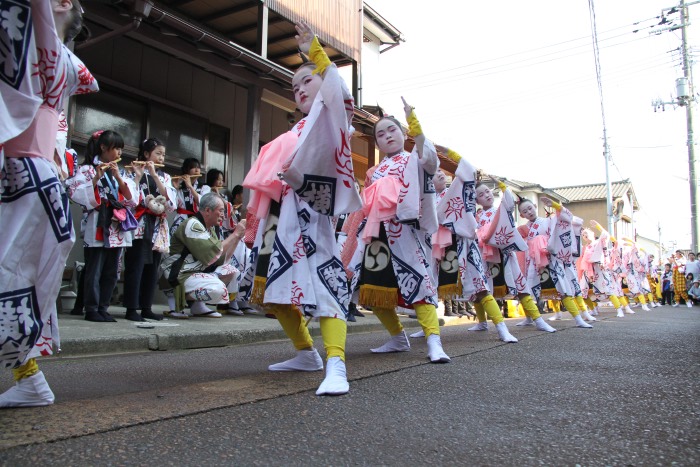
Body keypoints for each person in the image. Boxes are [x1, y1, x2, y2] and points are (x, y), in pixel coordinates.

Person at [239, 21, 362, 395]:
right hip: (280, 214)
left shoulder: (328, 116)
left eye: (305, 81)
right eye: (294, 87)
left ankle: (336, 364)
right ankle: (307, 352)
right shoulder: (296, 129)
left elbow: (338, 92)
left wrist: (316, 52)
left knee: (327, 285)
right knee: (272, 292)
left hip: (313, 211)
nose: (299, 89)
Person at [0, 0, 99, 407]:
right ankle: (30, 378)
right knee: (22, 284)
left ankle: (30, 378)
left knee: (12, 279)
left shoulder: (41, 49)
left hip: (24, 177)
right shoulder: (64, 61)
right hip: (39, 181)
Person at [348, 98, 451, 363]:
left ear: (403, 133)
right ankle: (397, 336)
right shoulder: (375, 171)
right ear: (377, 143)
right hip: (376, 231)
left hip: (407, 232)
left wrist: (414, 122)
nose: (386, 136)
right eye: (380, 134)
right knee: (371, 286)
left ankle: (434, 341)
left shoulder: (415, 159)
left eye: (391, 130)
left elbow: (430, 161)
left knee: (420, 284)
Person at [426, 147, 519, 343]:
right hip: (437, 249)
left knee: (480, 287)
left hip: (463, 246)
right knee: (429, 288)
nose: (440, 174)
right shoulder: (426, 199)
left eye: (442, 171)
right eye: (435, 173)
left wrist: (452, 155)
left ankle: (501, 327)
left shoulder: (456, 191)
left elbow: (468, 171)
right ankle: (428, 327)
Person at [469, 178, 556, 336]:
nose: (486, 195)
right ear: (476, 200)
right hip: (485, 255)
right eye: (481, 194)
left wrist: (502, 186)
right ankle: (482, 322)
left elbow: (509, 201)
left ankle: (538, 320)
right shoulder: (477, 216)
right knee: (480, 288)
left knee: (521, 287)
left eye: (488, 191)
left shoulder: (501, 210)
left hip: (505, 253)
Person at [68, 131, 138, 323]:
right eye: (116, 148)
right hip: (98, 222)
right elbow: (76, 194)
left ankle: (103, 307)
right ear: (103, 148)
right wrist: (95, 179)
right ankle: (91, 308)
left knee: (112, 270)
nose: (119, 152)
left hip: (116, 224)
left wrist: (118, 178)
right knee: (95, 269)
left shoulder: (120, 171)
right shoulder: (87, 169)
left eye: (121, 149)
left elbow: (132, 200)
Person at [161, 193, 245, 318]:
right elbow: (212, 253)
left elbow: (221, 259)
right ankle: (176, 298)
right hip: (177, 274)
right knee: (218, 289)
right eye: (221, 211)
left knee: (231, 271)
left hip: (194, 272)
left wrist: (237, 237)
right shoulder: (192, 224)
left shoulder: (210, 228)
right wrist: (234, 234)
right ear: (207, 210)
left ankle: (197, 306)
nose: (223, 215)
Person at [122, 137, 177, 321]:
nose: (162, 157)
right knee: (135, 266)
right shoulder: (132, 171)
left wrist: (154, 175)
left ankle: (146, 307)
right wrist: (139, 176)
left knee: (153, 268)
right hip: (139, 223)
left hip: (157, 226)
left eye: (163, 154)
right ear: (146, 154)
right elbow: (128, 198)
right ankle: (131, 308)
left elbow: (171, 204)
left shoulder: (165, 177)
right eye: (158, 153)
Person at [519, 197, 594, 328]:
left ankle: (578, 318)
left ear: (535, 207)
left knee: (563, 287)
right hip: (534, 261)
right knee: (529, 288)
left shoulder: (548, 221)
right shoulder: (526, 228)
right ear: (521, 215)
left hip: (551, 259)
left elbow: (565, 220)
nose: (529, 212)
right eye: (525, 211)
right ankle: (529, 318)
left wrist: (556, 206)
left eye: (530, 208)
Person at [578, 221, 625, 317]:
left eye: (586, 233)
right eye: (583, 235)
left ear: (592, 234)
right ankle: (592, 309)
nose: (585, 235)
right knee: (582, 291)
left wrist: (598, 226)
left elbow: (605, 235)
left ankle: (619, 309)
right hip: (588, 270)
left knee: (608, 290)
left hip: (600, 268)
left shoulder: (598, 242)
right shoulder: (584, 248)